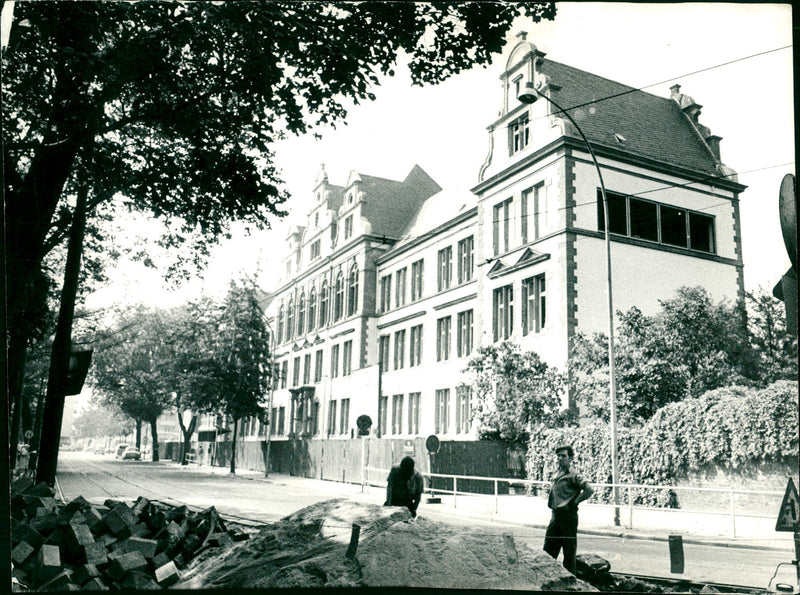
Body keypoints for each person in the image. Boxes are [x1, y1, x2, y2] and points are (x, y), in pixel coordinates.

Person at [543, 445, 594, 575]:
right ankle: (548, 579)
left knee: (569, 552)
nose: (560, 458)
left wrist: (575, 502)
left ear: (570, 458)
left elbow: (589, 490)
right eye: (558, 456)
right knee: (548, 551)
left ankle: (570, 582)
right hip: (555, 516)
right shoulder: (557, 473)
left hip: (568, 517)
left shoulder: (574, 475)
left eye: (563, 456)